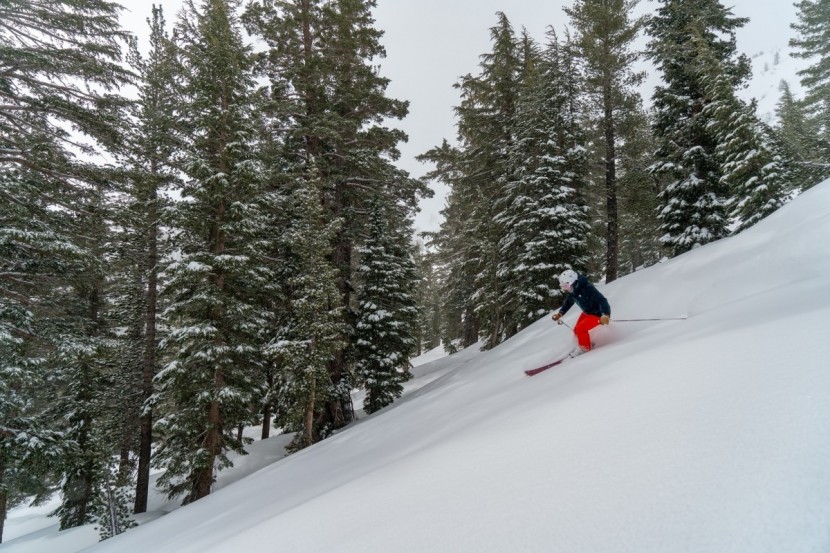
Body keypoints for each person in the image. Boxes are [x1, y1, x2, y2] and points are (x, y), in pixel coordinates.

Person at [551, 269, 611, 357]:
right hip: (587, 312)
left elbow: (602, 300)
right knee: (576, 330)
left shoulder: (587, 288)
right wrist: (560, 313)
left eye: (566, 286)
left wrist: (605, 314)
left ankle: (585, 349)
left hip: (598, 314)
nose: (565, 289)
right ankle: (585, 343)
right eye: (563, 287)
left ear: (573, 282)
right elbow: (568, 303)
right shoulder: (573, 291)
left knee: (580, 329)